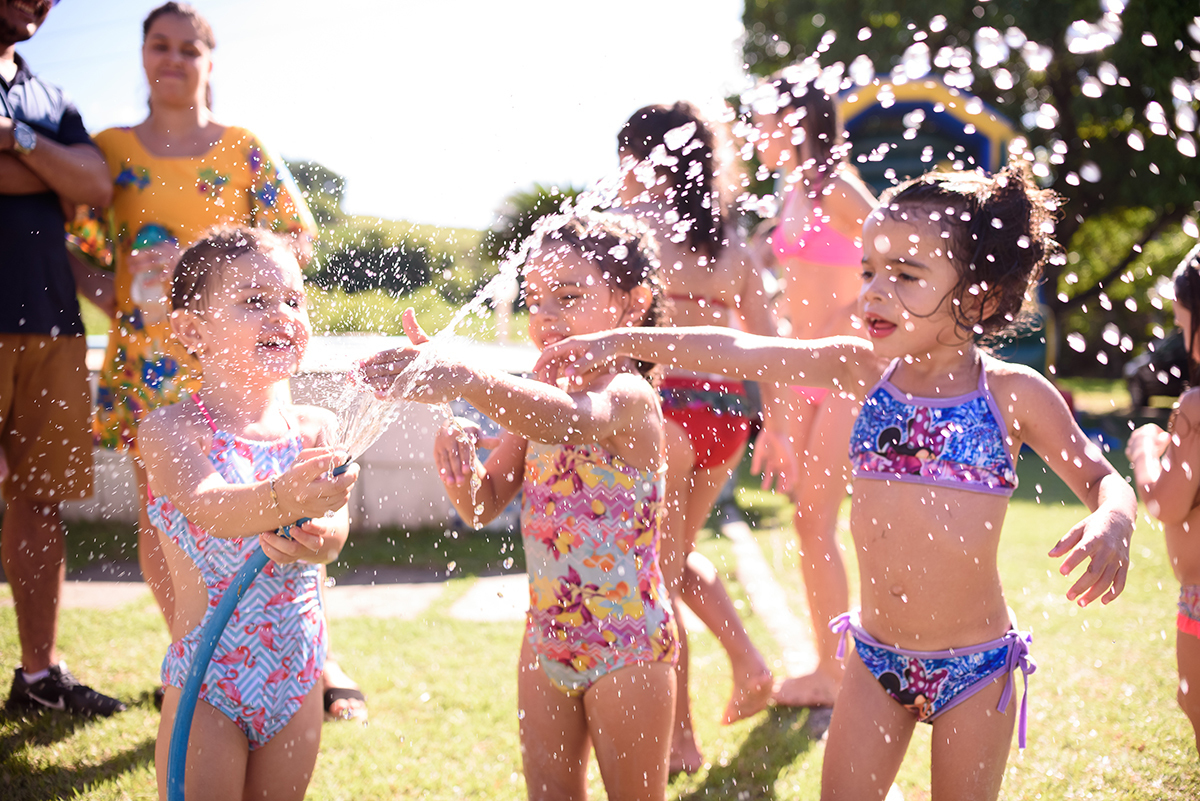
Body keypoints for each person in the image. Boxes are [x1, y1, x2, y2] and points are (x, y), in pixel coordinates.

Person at [536, 164, 1136, 800]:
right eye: (870, 271)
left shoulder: (1013, 395)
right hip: (875, 664)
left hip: (977, 670)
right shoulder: (859, 368)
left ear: (981, 297)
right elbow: (738, 350)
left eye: (905, 275)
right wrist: (621, 340)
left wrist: (1113, 519)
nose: (875, 292)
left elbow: (1104, 479)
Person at [80, 2, 364, 721]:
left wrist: (213, 272)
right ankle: (195, 652)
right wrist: (120, 299)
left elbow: (296, 243)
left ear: (210, 62)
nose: (173, 60)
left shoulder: (240, 146)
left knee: (290, 492)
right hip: (150, 359)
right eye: (160, 46)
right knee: (163, 514)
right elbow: (76, 249)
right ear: (143, 54)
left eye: (189, 49)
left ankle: (311, 653)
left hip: (241, 352)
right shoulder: (109, 149)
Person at [362, 213, 678, 801]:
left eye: (569, 297)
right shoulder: (539, 396)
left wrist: (462, 375)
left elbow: (572, 420)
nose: (546, 318)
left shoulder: (628, 395)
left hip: (626, 643)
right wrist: (460, 470)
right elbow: (484, 505)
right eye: (535, 299)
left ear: (632, 305)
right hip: (545, 637)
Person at [138, 227, 359, 800]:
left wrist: (320, 534)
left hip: (298, 675)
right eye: (255, 301)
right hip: (211, 681)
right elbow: (212, 507)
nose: (282, 314)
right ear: (193, 330)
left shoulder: (314, 429)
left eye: (294, 300)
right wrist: (286, 500)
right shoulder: (170, 431)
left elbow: (336, 537)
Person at [616, 101, 777, 772]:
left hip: (668, 409)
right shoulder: (731, 237)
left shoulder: (635, 229)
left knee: (655, 573)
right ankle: (749, 662)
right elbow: (770, 341)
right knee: (675, 558)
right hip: (726, 414)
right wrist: (780, 429)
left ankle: (681, 736)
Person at [1, 0, 126, 717]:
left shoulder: (50, 96)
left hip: (51, 324)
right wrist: (49, 166)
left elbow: (94, 184)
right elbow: (66, 177)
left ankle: (38, 675)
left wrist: (14, 138)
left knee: (39, 500)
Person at [749, 69, 878, 708]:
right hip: (805, 376)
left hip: (845, 373)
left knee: (819, 521)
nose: (756, 134)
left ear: (796, 122)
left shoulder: (838, 191)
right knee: (808, 523)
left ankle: (838, 673)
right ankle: (832, 663)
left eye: (765, 121)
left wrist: (852, 325)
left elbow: (901, 259)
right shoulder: (795, 193)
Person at [1128, 242, 1200, 751]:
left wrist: (1145, 451)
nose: (1184, 340)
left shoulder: (1196, 406)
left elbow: (1163, 503)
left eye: (1183, 325)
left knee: (1195, 699)